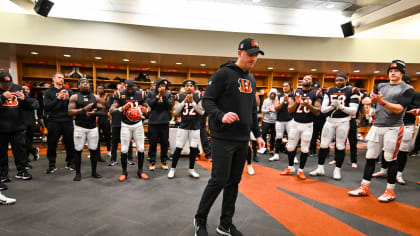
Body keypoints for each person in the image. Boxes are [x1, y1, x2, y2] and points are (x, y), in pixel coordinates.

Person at [194, 38, 265, 236]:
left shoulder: (251, 79)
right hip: (223, 137)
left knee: (234, 182)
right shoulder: (223, 74)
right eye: (251, 54)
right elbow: (206, 101)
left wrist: (257, 135)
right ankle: (199, 219)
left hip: (242, 139)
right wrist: (221, 115)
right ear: (239, 52)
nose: (254, 58)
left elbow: (252, 110)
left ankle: (225, 224)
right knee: (218, 180)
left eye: (256, 55)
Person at [349, 60, 415, 202]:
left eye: (396, 71)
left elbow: (399, 109)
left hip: (394, 127)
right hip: (377, 126)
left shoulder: (407, 89)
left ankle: (390, 191)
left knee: (390, 159)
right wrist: (371, 100)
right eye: (390, 71)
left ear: (402, 73)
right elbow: (366, 100)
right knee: (370, 156)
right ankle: (364, 187)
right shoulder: (381, 85)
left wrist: (382, 102)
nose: (392, 73)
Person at [309, 73, 359, 180]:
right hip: (330, 121)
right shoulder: (329, 90)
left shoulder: (352, 91)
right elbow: (323, 110)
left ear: (346, 80)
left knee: (340, 146)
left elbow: (354, 110)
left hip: (343, 121)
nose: (339, 82)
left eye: (341, 80)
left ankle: (337, 170)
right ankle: (320, 168)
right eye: (337, 80)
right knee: (323, 145)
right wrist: (333, 106)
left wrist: (340, 106)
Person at [372, 75, 420, 185]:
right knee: (386, 147)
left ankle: (399, 174)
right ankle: (383, 170)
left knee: (403, 150)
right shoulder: (391, 92)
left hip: (407, 124)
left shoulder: (415, 94)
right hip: (391, 124)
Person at [280, 75, 322, 180]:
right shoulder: (295, 92)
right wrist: (297, 103)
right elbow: (289, 109)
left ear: (312, 82)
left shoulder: (315, 93)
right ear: (301, 81)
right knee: (290, 147)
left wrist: (309, 105)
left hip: (308, 125)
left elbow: (317, 112)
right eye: (305, 79)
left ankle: (301, 170)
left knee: (304, 148)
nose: (307, 80)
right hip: (295, 123)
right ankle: (290, 167)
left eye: (309, 79)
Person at [110, 79, 149, 181]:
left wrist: (147, 110)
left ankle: (140, 171)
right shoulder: (119, 94)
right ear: (125, 87)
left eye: (132, 88)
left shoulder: (141, 94)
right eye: (128, 88)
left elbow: (148, 106)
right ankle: (124, 172)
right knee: (124, 149)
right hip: (125, 125)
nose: (130, 90)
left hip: (138, 124)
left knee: (140, 148)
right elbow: (111, 110)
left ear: (135, 87)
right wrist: (121, 108)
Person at [68, 78, 104, 181]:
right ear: (78, 86)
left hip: (92, 127)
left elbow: (102, 111)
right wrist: (84, 110)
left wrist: (95, 113)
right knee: (78, 150)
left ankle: (94, 172)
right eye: (83, 83)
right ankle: (78, 173)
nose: (85, 84)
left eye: (87, 83)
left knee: (94, 150)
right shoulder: (75, 97)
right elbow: (70, 112)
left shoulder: (95, 97)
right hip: (80, 127)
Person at [168, 79, 204, 179]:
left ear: (194, 87)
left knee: (193, 149)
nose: (189, 87)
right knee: (178, 148)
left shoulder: (199, 96)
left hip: (195, 126)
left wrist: (193, 102)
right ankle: (172, 169)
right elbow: (175, 112)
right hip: (183, 126)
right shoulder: (180, 96)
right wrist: (184, 101)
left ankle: (191, 169)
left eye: (191, 85)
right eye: (187, 85)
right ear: (184, 87)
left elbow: (201, 112)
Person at [0, 72, 33, 181]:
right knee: (2, 153)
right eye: (5, 85)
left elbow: (29, 105)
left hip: (17, 126)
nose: (8, 86)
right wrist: (2, 98)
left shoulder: (18, 88)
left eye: (9, 84)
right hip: (1, 128)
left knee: (20, 150)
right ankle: (3, 174)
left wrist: (24, 99)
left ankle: (22, 171)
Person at [43, 72, 74, 174]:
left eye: (63, 78)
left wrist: (68, 100)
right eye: (59, 77)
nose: (61, 79)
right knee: (52, 143)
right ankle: (52, 164)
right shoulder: (48, 92)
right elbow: (47, 107)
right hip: (54, 121)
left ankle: (70, 163)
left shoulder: (69, 91)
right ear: (53, 79)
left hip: (67, 121)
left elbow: (73, 107)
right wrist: (58, 98)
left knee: (70, 143)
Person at [146, 77, 172, 171]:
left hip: (164, 122)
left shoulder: (168, 94)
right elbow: (151, 105)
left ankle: (163, 161)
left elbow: (169, 107)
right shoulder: (150, 93)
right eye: (161, 85)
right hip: (153, 122)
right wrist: (158, 96)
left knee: (164, 143)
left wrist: (163, 95)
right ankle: (152, 161)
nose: (162, 87)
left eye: (164, 85)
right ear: (158, 85)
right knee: (152, 143)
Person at [108, 82, 133, 166]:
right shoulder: (113, 96)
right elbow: (110, 108)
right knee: (114, 141)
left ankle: (130, 158)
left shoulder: (128, 96)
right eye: (120, 85)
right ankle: (113, 159)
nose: (122, 86)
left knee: (128, 140)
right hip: (116, 121)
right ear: (117, 87)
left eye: (123, 85)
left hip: (126, 121)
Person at [270, 81, 293, 161]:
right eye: (283, 86)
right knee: (279, 137)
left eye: (286, 86)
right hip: (280, 120)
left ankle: (293, 156)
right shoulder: (279, 96)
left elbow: (294, 108)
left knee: (292, 138)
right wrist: (283, 101)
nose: (284, 87)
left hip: (290, 120)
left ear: (290, 86)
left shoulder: (293, 95)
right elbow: (276, 108)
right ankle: (276, 154)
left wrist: (289, 101)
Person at [22, 85, 40, 167]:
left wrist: (25, 100)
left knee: (29, 140)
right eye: (24, 89)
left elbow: (36, 106)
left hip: (31, 122)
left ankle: (26, 158)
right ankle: (34, 150)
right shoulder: (17, 99)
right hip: (20, 123)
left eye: (27, 89)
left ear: (29, 91)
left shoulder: (33, 99)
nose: (26, 90)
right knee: (23, 140)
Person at [95, 85, 111, 160]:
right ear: (96, 89)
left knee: (107, 135)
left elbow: (107, 106)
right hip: (96, 118)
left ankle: (108, 150)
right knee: (96, 136)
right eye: (99, 88)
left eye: (101, 88)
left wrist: (105, 98)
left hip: (104, 117)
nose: (100, 89)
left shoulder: (107, 96)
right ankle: (95, 153)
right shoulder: (94, 96)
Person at [260, 88, 277, 153]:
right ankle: (264, 148)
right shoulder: (266, 101)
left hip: (274, 121)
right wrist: (268, 110)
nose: (272, 95)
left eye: (274, 94)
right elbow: (262, 110)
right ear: (270, 94)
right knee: (264, 134)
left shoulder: (277, 101)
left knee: (273, 135)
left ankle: (271, 149)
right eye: (271, 94)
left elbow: (279, 110)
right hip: (266, 120)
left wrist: (274, 111)